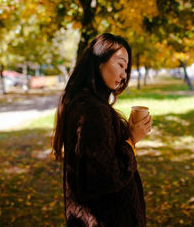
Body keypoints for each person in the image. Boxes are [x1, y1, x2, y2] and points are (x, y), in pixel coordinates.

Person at [52, 33, 152, 227]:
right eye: (120, 64)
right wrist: (131, 140)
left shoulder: (82, 102)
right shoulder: (93, 110)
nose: (124, 75)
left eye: (126, 68)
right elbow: (107, 177)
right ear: (99, 62)